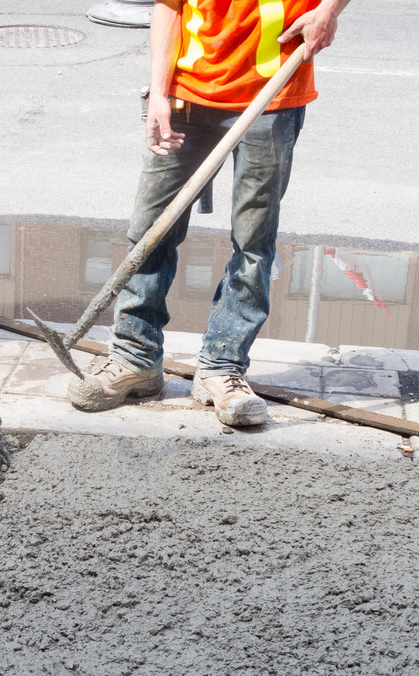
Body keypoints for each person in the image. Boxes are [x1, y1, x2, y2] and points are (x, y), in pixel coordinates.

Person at [79, 0, 349, 426]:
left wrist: (329, 10)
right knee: (150, 230)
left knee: (254, 241)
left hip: (273, 93)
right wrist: (159, 93)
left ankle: (222, 368)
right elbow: (168, 8)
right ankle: (135, 356)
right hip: (188, 92)